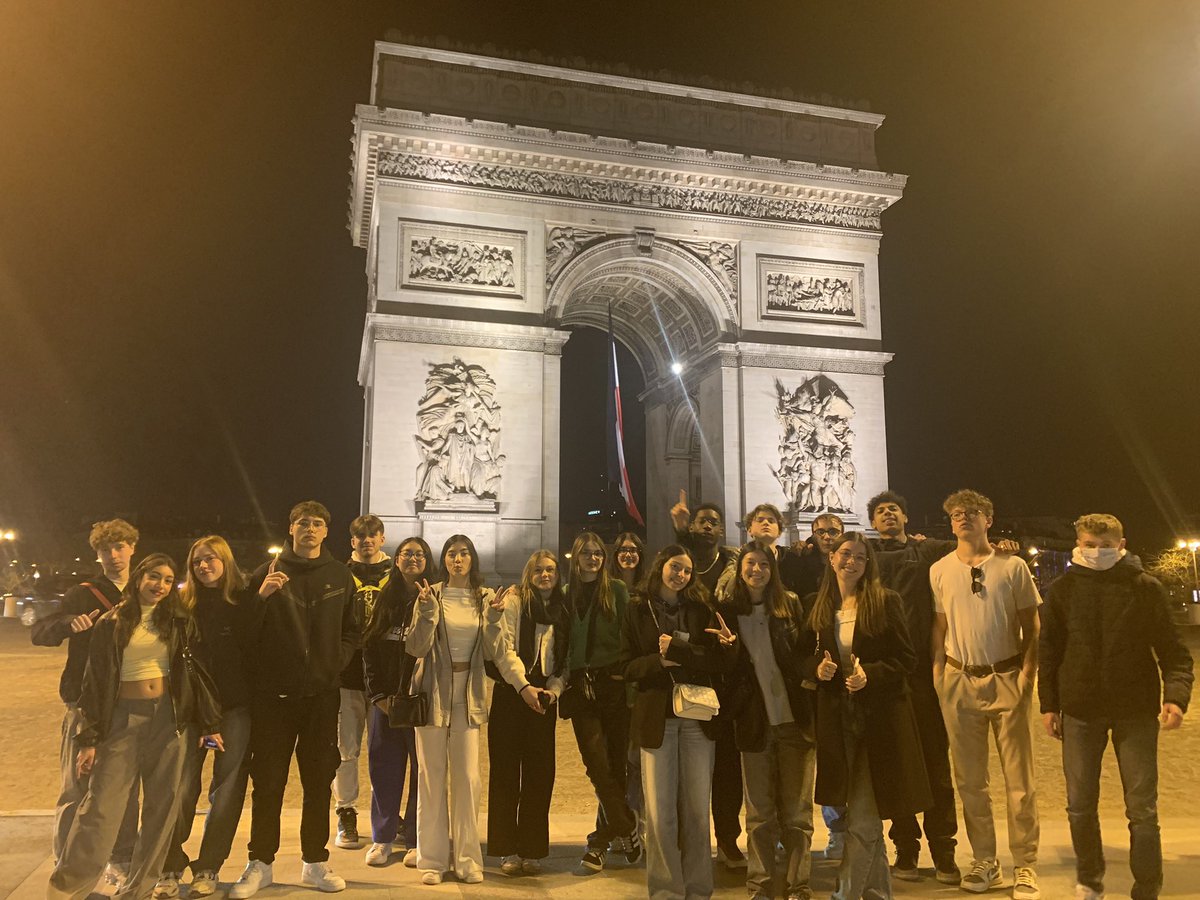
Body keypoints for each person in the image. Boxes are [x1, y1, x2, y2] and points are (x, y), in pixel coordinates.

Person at [48, 554, 223, 900]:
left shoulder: (178, 621)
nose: (160, 585)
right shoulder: (111, 623)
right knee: (100, 810)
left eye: (168, 580)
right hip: (121, 720)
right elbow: (95, 683)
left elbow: (195, 676)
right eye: (154, 577)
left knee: (163, 808)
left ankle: (138, 891)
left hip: (170, 722)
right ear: (139, 577)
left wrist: (209, 723)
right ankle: (66, 890)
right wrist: (90, 739)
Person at [1039, 514, 1194, 900]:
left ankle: (1147, 887)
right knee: (1079, 806)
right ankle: (1090, 881)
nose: (1097, 552)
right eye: (1090, 544)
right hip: (1079, 708)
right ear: (1078, 544)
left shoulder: (1146, 588)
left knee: (1142, 809)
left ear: (1122, 546)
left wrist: (1175, 697)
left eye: (1105, 546)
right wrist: (1049, 705)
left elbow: (1174, 653)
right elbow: (1050, 653)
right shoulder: (1062, 590)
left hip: (1135, 710)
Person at [230, 501, 358, 898]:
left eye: (317, 524)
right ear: (290, 529)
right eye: (303, 523)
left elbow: (352, 631)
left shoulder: (341, 575)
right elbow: (243, 636)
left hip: (321, 696)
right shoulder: (263, 575)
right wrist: (262, 597)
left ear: (325, 532)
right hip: (273, 697)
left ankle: (314, 861)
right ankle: (261, 862)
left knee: (319, 782)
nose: (310, 529)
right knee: (267, 782)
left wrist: (334, 661)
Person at [798, 533, 931, 900]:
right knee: (859, 812)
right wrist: (816, 669)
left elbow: (906, 659)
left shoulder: (886, 602)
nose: (852, 561)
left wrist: (869, 673)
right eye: (845, 554)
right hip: (836, 719)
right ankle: (876, 893)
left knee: (863, 815)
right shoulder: (817, 606)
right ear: (831, 558)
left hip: (879, 719)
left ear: (868, 563)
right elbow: (800, 658)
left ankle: (846, 892)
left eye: (860, 556)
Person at [931, 490, 1041, 899]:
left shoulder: (1012, 567)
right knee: (971, 782)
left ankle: (1025, 863)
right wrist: (939, 674)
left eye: (972, 513)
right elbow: (939, 627)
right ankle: (985, 860)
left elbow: (1033, 626)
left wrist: (1028, 674)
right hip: (959, 682)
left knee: (1020, 780)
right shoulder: (939, 569)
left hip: (1007, 676)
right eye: (957, 514)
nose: (963, 519)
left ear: (988, 520)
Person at [405, 534, 526, 885]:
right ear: (444, 560)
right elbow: (415, 647)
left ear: (473, 559)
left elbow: (494, 651)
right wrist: (426, 612)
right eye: (451, 554)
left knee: (468, 778)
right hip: (432, 693)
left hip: (468, 695)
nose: (458, 559)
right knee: (430, 778)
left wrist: (492, 619)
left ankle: (468, 858)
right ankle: (432, 859)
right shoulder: (431, 594)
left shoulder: (487, 597)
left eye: (464, 554)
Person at [622, 544, 736, 900]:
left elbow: (716, 659)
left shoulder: (701, 608)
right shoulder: (636, 609)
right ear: (660, 566)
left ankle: (700, 890)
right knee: (659, 815)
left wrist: (684, 651)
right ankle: (666, 892)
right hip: (656, 719)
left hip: (697, 719)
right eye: (675, 567)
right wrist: (661, 662)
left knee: (698, 813)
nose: (681, 575)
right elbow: (625, 667)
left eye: (687, 570)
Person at [32, 519, 141, 885]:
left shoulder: (147, 588)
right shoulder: (83, 593)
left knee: (125, 787)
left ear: (132, 548)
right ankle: (66, 861)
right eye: (105, 550)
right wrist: (67, 623)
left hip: (130, 699)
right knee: (76, 789)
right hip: (84, 701)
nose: (113, 555)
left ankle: (122, 857)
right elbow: (39, 632)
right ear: (97, 554)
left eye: (120, 547)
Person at [866, 490, 961, 883]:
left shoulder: (928, 551)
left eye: (894, 509)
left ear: (906, 518)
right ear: (871, 522)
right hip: (884, 675)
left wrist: (1005, 545)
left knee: (937, 764)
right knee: (896, 763)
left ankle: (944, 851)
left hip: (923, 674)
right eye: (880, 511)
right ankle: (905, 848)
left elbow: (969, 547)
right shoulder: (864, 554)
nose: (888, 514)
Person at [157, 537, 253, 898]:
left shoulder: (244, 601)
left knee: (226, 791)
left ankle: (209, 864)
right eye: (197, 561)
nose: (203, 565)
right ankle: (169, 862)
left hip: (235, 707)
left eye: (210, 559)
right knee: (179, 788)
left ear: (225, 561)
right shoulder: (181, 606)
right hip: (191, 710)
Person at [721, 544, 817, 900]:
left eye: (764, 564)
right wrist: (728, 649)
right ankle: (759, 885)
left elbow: (806, 651)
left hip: (794, 720)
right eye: (750, 563)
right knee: (759, 814)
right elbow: (725, 669)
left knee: (797, 814)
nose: (757, 570)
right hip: (754, 722)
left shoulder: (789, 604)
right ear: (739, 568)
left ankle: (799, 885)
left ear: (773, 569)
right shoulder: (727, 612)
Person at [484, 549, 570, 875]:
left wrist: (555, 690)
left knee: (539, 775)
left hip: (545, 696)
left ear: (558, 574)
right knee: (505, 774)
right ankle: (506, 850)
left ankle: (532, 849)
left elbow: (566, 659)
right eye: (538, 570)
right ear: (528, 574)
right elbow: (502, 649)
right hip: (511, 692)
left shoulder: (563, 610)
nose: (545, 575)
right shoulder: (514, 603)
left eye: (550, 570)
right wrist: (524, 688)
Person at [669, 493, 744, 868]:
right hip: (694, 676)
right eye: (702, 521)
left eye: (714, 521)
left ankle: (729, 840)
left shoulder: (735, 566)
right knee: (691, 768)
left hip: (727, 679)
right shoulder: (680, 567)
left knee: (729, 769)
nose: (709, 526)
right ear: (691, 527)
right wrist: (679, 531)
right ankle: (689, 841)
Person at [562, 531, 643, 877]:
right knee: (596, 765)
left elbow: (632, 635)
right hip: (581, 687)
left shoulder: (618, 590)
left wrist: (625, 676)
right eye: (587, 552)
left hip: (612, 684)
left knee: (614, 768)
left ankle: (599, 842)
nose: (593, 558)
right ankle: (626, 826)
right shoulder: (566, 595)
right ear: (576, 556)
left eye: (598, 553)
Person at [360, 537, 430, 868]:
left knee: (422, 772)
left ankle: (416, 838)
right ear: (397, 560)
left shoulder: (435, 599)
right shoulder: (385, 601)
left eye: (419, 554)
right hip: (386, 702)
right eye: (407, 554)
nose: (413, 559)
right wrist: (378, 696)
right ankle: (382, 838)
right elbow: (369, 650)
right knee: (384, 771)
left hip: (421, 702)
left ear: (427, 561)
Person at [335, 515, 392, 850]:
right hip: (348, 675)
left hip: (385, 677)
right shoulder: (339, 574)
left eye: (372, 534)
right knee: (347, 750)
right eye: (360, 535)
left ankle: (385, 816)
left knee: (385, 752)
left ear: (382, 538)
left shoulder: (397, 574)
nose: (367, 540)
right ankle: (346, 810)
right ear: (351, 540)